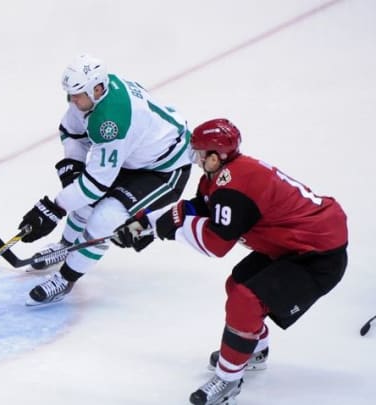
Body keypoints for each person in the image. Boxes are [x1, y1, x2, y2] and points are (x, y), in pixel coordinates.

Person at [113, 118, 348, 405]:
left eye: (200, 153)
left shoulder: (233, 188)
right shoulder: (224, 175)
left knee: (246, 299)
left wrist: (172, 231)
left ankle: (228, 381)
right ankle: (255, 350)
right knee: (238, 284)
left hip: (317, 255)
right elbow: (199, 207)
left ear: (215, 156)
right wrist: (147, 222)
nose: (196, 159)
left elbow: (216, 243)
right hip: (295, 244)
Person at [17, 54, 193, 305]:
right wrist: (73, 165)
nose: (72, 100)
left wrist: (54, 208)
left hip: (164, 169)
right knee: (83, 202)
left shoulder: (113, 120)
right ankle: (65, 246)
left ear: (98, 89)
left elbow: (94, 186)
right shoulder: (88, 97)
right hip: (132, 156)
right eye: (70, 94)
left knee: (103, 220)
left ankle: (65, 280)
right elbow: (71, 132)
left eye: (77, 95)